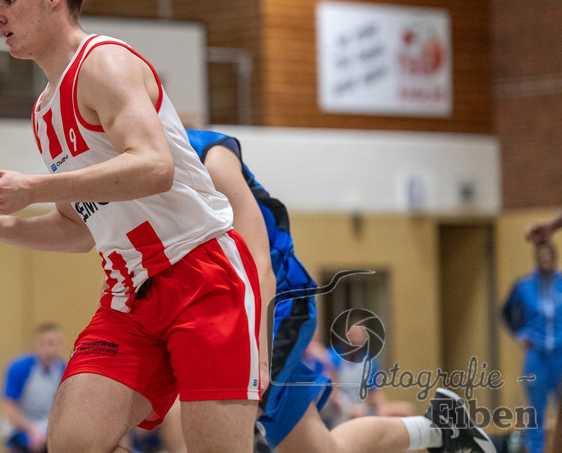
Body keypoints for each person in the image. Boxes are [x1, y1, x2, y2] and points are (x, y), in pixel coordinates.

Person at [0, 0, 262, 453]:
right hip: (128, 291)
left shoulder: (103, 63)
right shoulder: (44, 114)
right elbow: (77, 230)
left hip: (201, 272)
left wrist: (32, 187)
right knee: (73, 442)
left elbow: (154, 167)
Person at [184, 128, 494, 453]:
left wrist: (258, 356)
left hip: (269, 304)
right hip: (222, 312)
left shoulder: (208, 154)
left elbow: (260, 264)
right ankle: (438, 427)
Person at [501, 240, 562, 453]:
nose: (545, 260)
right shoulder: (524, 285)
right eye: (541, 256)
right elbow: (506, 312)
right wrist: (520, 334)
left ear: (555, 258)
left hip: (559, 353)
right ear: (536, 258)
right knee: (536, 411)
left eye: (549, 256)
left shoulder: (561, 283)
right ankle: (535, 450)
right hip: (536, 356)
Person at [0, 322, 68, 452]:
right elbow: (8, 408)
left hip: (48, 428)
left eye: (56, 343)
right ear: (37, 345)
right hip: (20, 428)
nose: (51, 350)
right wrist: (32, 430)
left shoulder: (64, 370)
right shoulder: (19, 368)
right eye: (47, 344)